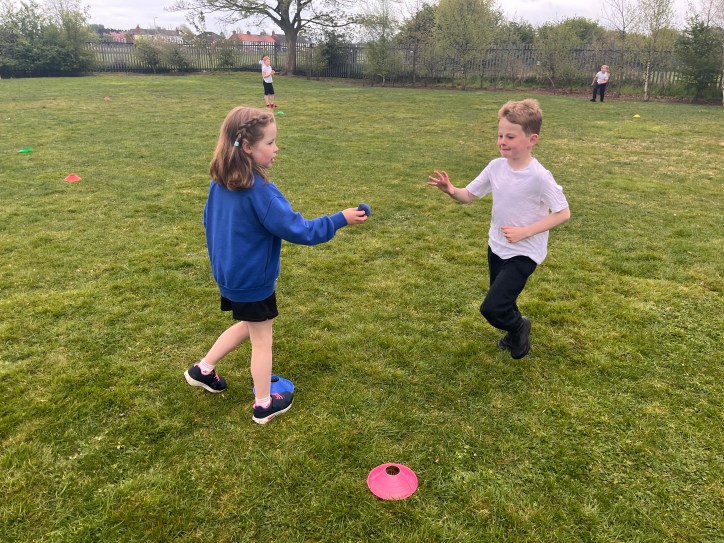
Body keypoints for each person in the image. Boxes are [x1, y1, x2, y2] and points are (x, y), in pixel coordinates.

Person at [184, 106, 368, 424]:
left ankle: (203, 369)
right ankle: (264, 404)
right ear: (247, 147)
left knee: (250, 324)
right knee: (262, 338)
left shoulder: (220, 183)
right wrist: (341, 218)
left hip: (229, 275)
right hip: (252, 280)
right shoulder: (261, 194)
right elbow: (301, 230)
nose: (276, 148)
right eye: (270, 142)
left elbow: (208, 220)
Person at [427, 99, 570, 359]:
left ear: (532, 140)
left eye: (510, 137)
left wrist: (525, 232)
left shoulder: (539, 177)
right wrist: (451, 190)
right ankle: (515, 331)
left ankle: (519, 326)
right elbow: (468, 195)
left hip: (524, 252)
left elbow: (563, 213)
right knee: (505, 300)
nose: (502, 141)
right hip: (496, 246)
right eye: (500, 135)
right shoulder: (495, 167)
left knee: (492, 308)